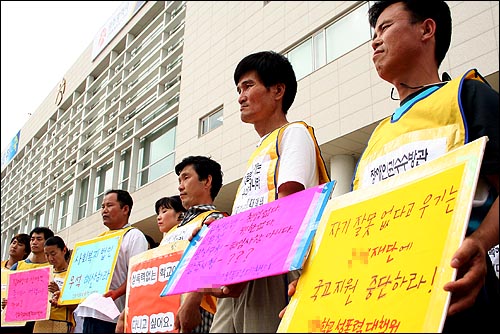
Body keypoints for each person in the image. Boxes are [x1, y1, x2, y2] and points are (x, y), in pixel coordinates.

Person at [331, 1, 499, 332]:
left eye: (385, 27)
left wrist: (479, 242)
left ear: (426, 29)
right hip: (382, 307)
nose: (375, 41)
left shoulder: (468, 96)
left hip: (456, 300)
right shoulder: (378, 137)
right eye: (373, 33)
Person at [208, 51, 330, 333]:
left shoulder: (294, 133)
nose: (240, 96)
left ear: (278, 90)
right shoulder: (262, 150)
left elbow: (288, 206)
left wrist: (244, 265)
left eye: (248, 86)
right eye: (238, 89)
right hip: (243, 268)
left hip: (271, 267)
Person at [77, 189, 148, 333]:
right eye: (102, 207)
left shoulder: (134, 236)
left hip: (113, 316)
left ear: (125, 209)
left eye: (109, 205)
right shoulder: (98, 240)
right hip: (90, 313)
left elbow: (137, 275)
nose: (104, 210)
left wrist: (116, 292)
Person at [114, 195, 186, 333]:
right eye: (158, 213)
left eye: (164, 211)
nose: (159, 217)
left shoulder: (187, 237)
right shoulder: (163, 245)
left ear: (180, 215)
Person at [172, 156, 228, 333]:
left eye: (186, 178)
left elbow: (210, 270)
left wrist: (192, 300)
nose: (180, 186)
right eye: (179, 180)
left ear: (207, 181)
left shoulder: (216, 220)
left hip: (196, 318)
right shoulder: (173, 232)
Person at [5, 227, 54, 334]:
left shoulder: (52, 268)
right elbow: (7, 293)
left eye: (39, 239)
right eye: (32, 239)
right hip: (15, 321)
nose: (34, 242)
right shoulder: (17, 266)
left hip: (40, 322)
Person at [32, 236, 76, 333]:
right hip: (40, 322)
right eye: (47, 255)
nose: (50, 258)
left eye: (53, 254)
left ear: (64, 250)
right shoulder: (42, 274)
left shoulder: (73, 274)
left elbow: (76, 305)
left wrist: (59, 293)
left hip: (62, 323)